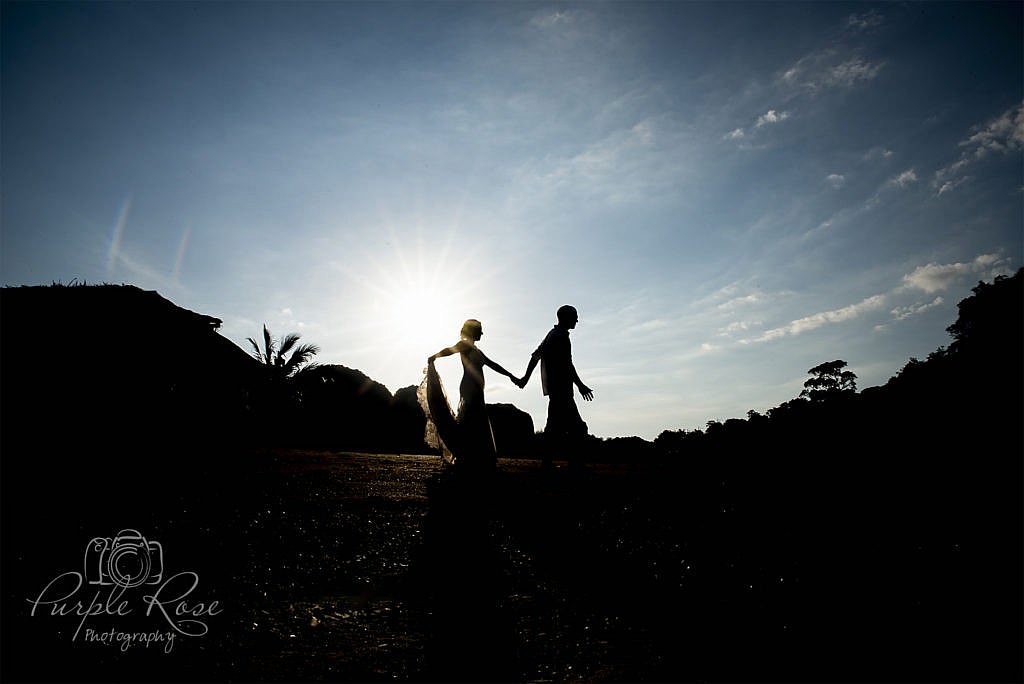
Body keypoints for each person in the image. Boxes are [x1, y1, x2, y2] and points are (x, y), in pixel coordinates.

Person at [422, 319, 522, 472]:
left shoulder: (476, 350)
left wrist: (510, 375)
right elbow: (450, 350)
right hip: (469, 387)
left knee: (476, 419)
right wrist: (435, 356)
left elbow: (492, 364)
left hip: (477, 389)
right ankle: (470, 455)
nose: (482, 334)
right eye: (479, 331)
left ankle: (476, 456)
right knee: (472, 419)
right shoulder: (464, 345)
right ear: (473, 332)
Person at [518, 305, 593, 469]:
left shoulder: (552, 335)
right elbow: (568, 365)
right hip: (562, 390)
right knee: (577, 428)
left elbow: (535, 356)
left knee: (554, 428)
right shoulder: (560, 337)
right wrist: (580, 385)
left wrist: (526, 377)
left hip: (556, 389)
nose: (577, 320)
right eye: (575, 317)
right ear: (566, 318)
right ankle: (575, 464)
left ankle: (549, 463)